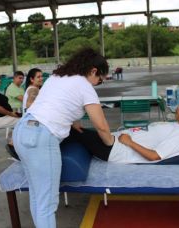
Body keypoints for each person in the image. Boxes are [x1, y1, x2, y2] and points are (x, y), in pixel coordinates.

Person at [12, 48, 114, 227]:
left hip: (22, 130)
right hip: (42, 137)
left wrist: (73, 122)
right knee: (48, 203)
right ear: (93, 71)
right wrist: (112, 144)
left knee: (38, 197)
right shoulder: (84, 86)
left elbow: (52, 103)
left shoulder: (56, 77)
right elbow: (101, 126)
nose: (98, 84)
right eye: (99, 80)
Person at [63, 98, 179, 163]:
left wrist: (129, 142)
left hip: (117, 150)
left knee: (73, 131)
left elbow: (155, 156)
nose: (177, 108)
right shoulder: (176, 126)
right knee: (76, 129)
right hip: (115, 140)